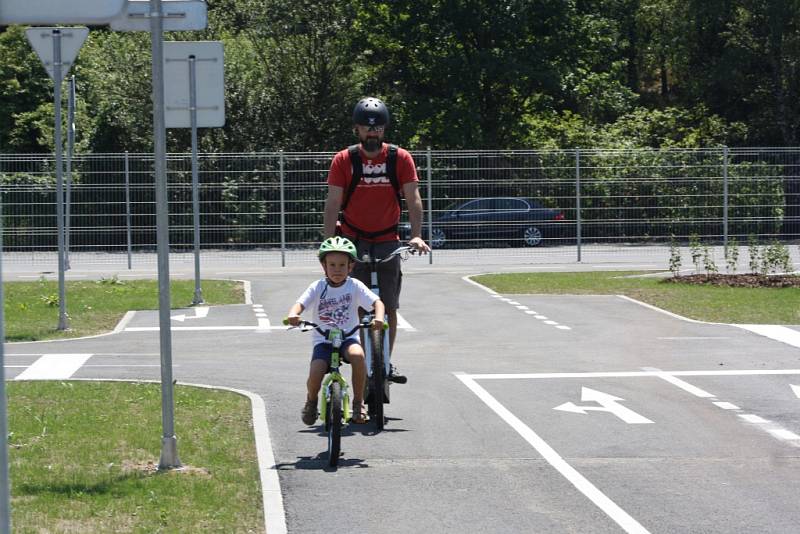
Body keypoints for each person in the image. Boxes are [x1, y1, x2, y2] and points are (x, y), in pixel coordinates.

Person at [323, 97, 431, 384]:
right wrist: (328, 243)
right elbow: (333, 203)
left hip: (387, 240)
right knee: (357, 305)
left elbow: (413, 198)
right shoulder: (344, 160)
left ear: (384, 130)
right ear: (357, 130)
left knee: (389, 305)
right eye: (367, 129)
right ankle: (361, 358)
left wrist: (417, 235)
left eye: (378, 129)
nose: (373, 134)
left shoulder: (399, 158)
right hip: (352, 239)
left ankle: (385, 362)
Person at [286, 236, 385, 426]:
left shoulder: (354, 286)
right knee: (316, 371)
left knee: (358, 356)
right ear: (324, 266)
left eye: (342, 265)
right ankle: (311, 402)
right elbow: (300, 304)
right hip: (323, 340)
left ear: (350, 267)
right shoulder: (317, 287)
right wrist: (293, 314)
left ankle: (358, 403)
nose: (337, 269)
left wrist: (378, 317)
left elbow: (376, 302)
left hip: (348, 337)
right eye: (332, 265)